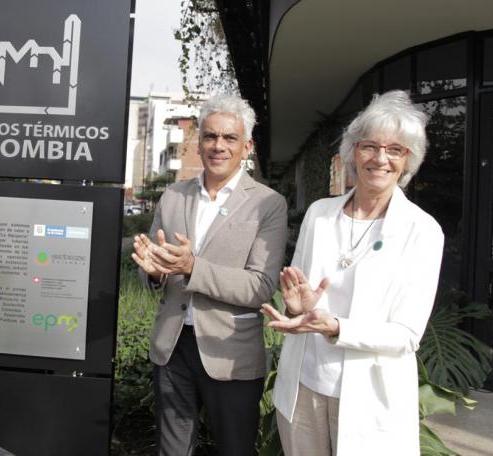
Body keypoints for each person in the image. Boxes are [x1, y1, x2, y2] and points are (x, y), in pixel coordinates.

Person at [262, 90, 444, 455]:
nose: (381, 158)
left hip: (370, 400)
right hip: (305, 389)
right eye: (369, 146)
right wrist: (297, 309)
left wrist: (336, 327)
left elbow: (406, 335)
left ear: (408, 160)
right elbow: (299, 300)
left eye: (396, 149)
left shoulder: (422, 231)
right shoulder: (319, 214)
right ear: (352, 152)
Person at [132, 94, 287, 455]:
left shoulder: (267, 203)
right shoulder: (172, 196)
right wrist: (154, 274)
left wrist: (192, 268)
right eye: (210, 136)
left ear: (246, 145)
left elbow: (260, 286)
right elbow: (156, 271)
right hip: (171, 349)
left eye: (229, 138)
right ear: (199, 141)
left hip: (229, 353)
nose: (219, 146)